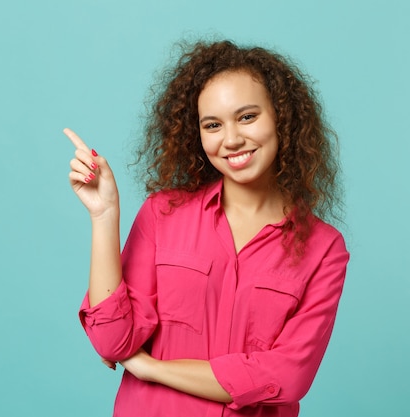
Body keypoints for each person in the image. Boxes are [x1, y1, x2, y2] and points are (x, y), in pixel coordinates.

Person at [65, 39, 349, 417]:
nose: (231, 139)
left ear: (282, 118)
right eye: (212, 125)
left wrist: (153, 368)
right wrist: (104, 217)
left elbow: (286, 377)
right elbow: (112, 342)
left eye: (247, 117)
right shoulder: (162, 214)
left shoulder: (323, 249)